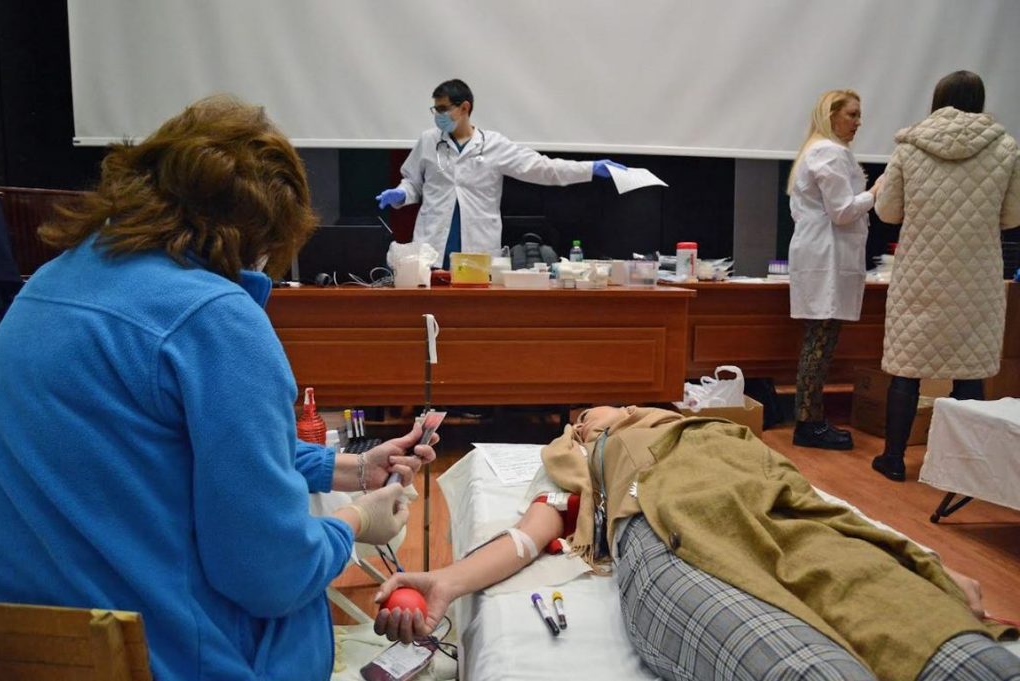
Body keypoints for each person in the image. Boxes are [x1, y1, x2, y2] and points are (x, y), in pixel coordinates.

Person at [0, 95, 436, 681]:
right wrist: (355, 521)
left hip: (40, 651)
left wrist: (348, 469)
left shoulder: (49, 283)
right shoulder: (215, 318)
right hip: (177, 658)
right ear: (262, 231)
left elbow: (160, 455)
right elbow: (271, 576)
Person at [374, 407, 1019, 681]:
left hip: (783, 518)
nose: (597, 412)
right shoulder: (587, 457)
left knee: (952, 650)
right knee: (806, 669)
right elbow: (526, 536)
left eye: (596, 410)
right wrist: (446, 582)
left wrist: (920, 568)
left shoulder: (706, 428)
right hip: (667, 526)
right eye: (586, 417)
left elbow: (819, 506)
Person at [871, 71, 1020, 482]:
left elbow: (888, 212)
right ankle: (965, 470)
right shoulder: (1005, 147)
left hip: (920, 274)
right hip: (977, 277)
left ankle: (893, 458)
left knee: (906, 368)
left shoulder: (909, 146)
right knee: (969, 370)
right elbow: (1013, 217)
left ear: (937, 100)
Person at [375, 79, 626, 269]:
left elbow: (542, 168)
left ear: (464, 108)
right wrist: (401, 194)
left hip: (477, 247)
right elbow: (413, 182)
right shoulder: (428, 141)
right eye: (435, 110)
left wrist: (589, 168)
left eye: (443, 109)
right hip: (433, 245)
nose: (438, 116)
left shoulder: (494, 145)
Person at [787, 89, 883, 450]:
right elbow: (842, 211)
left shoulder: (817, 150)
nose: (859, 122)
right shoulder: (829, 152)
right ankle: (808, 424)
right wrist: (876, 191)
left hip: (822, 253)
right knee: (820, 339)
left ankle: (810, 420)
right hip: (825, 256)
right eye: (852, 115)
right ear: (832, 116)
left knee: (820, 338)